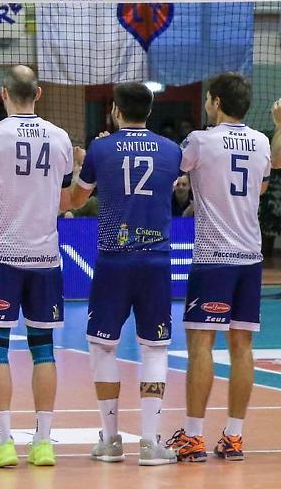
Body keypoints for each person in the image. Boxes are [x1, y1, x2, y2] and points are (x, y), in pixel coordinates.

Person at [0, 67, 73, 468]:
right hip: (45, 258)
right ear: (38, 93)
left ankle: (3, 441)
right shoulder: (60, 138)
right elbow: (68, 198)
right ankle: (43, 442)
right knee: (44, 349)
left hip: (1, 257)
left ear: (4, 92)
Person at [67, 82, 183, 466]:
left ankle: (112, 439)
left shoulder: (102, 148)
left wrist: (85, 161)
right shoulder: (172, 150)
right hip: (155, 261)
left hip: (114, 259)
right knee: (155, 347)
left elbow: (77, 199)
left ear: (116, 110)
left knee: (102, 346)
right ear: (149, 111)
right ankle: (150, 443)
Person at [167, 74, 271, 462]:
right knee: (242, 347)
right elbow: (259, 185)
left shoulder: (200, 140)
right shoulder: (260, 142)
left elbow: (170, 170)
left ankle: (193, 437)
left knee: (200, 346)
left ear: (214, 101)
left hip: (214, 258)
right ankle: (234, 436)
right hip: (251, 256)